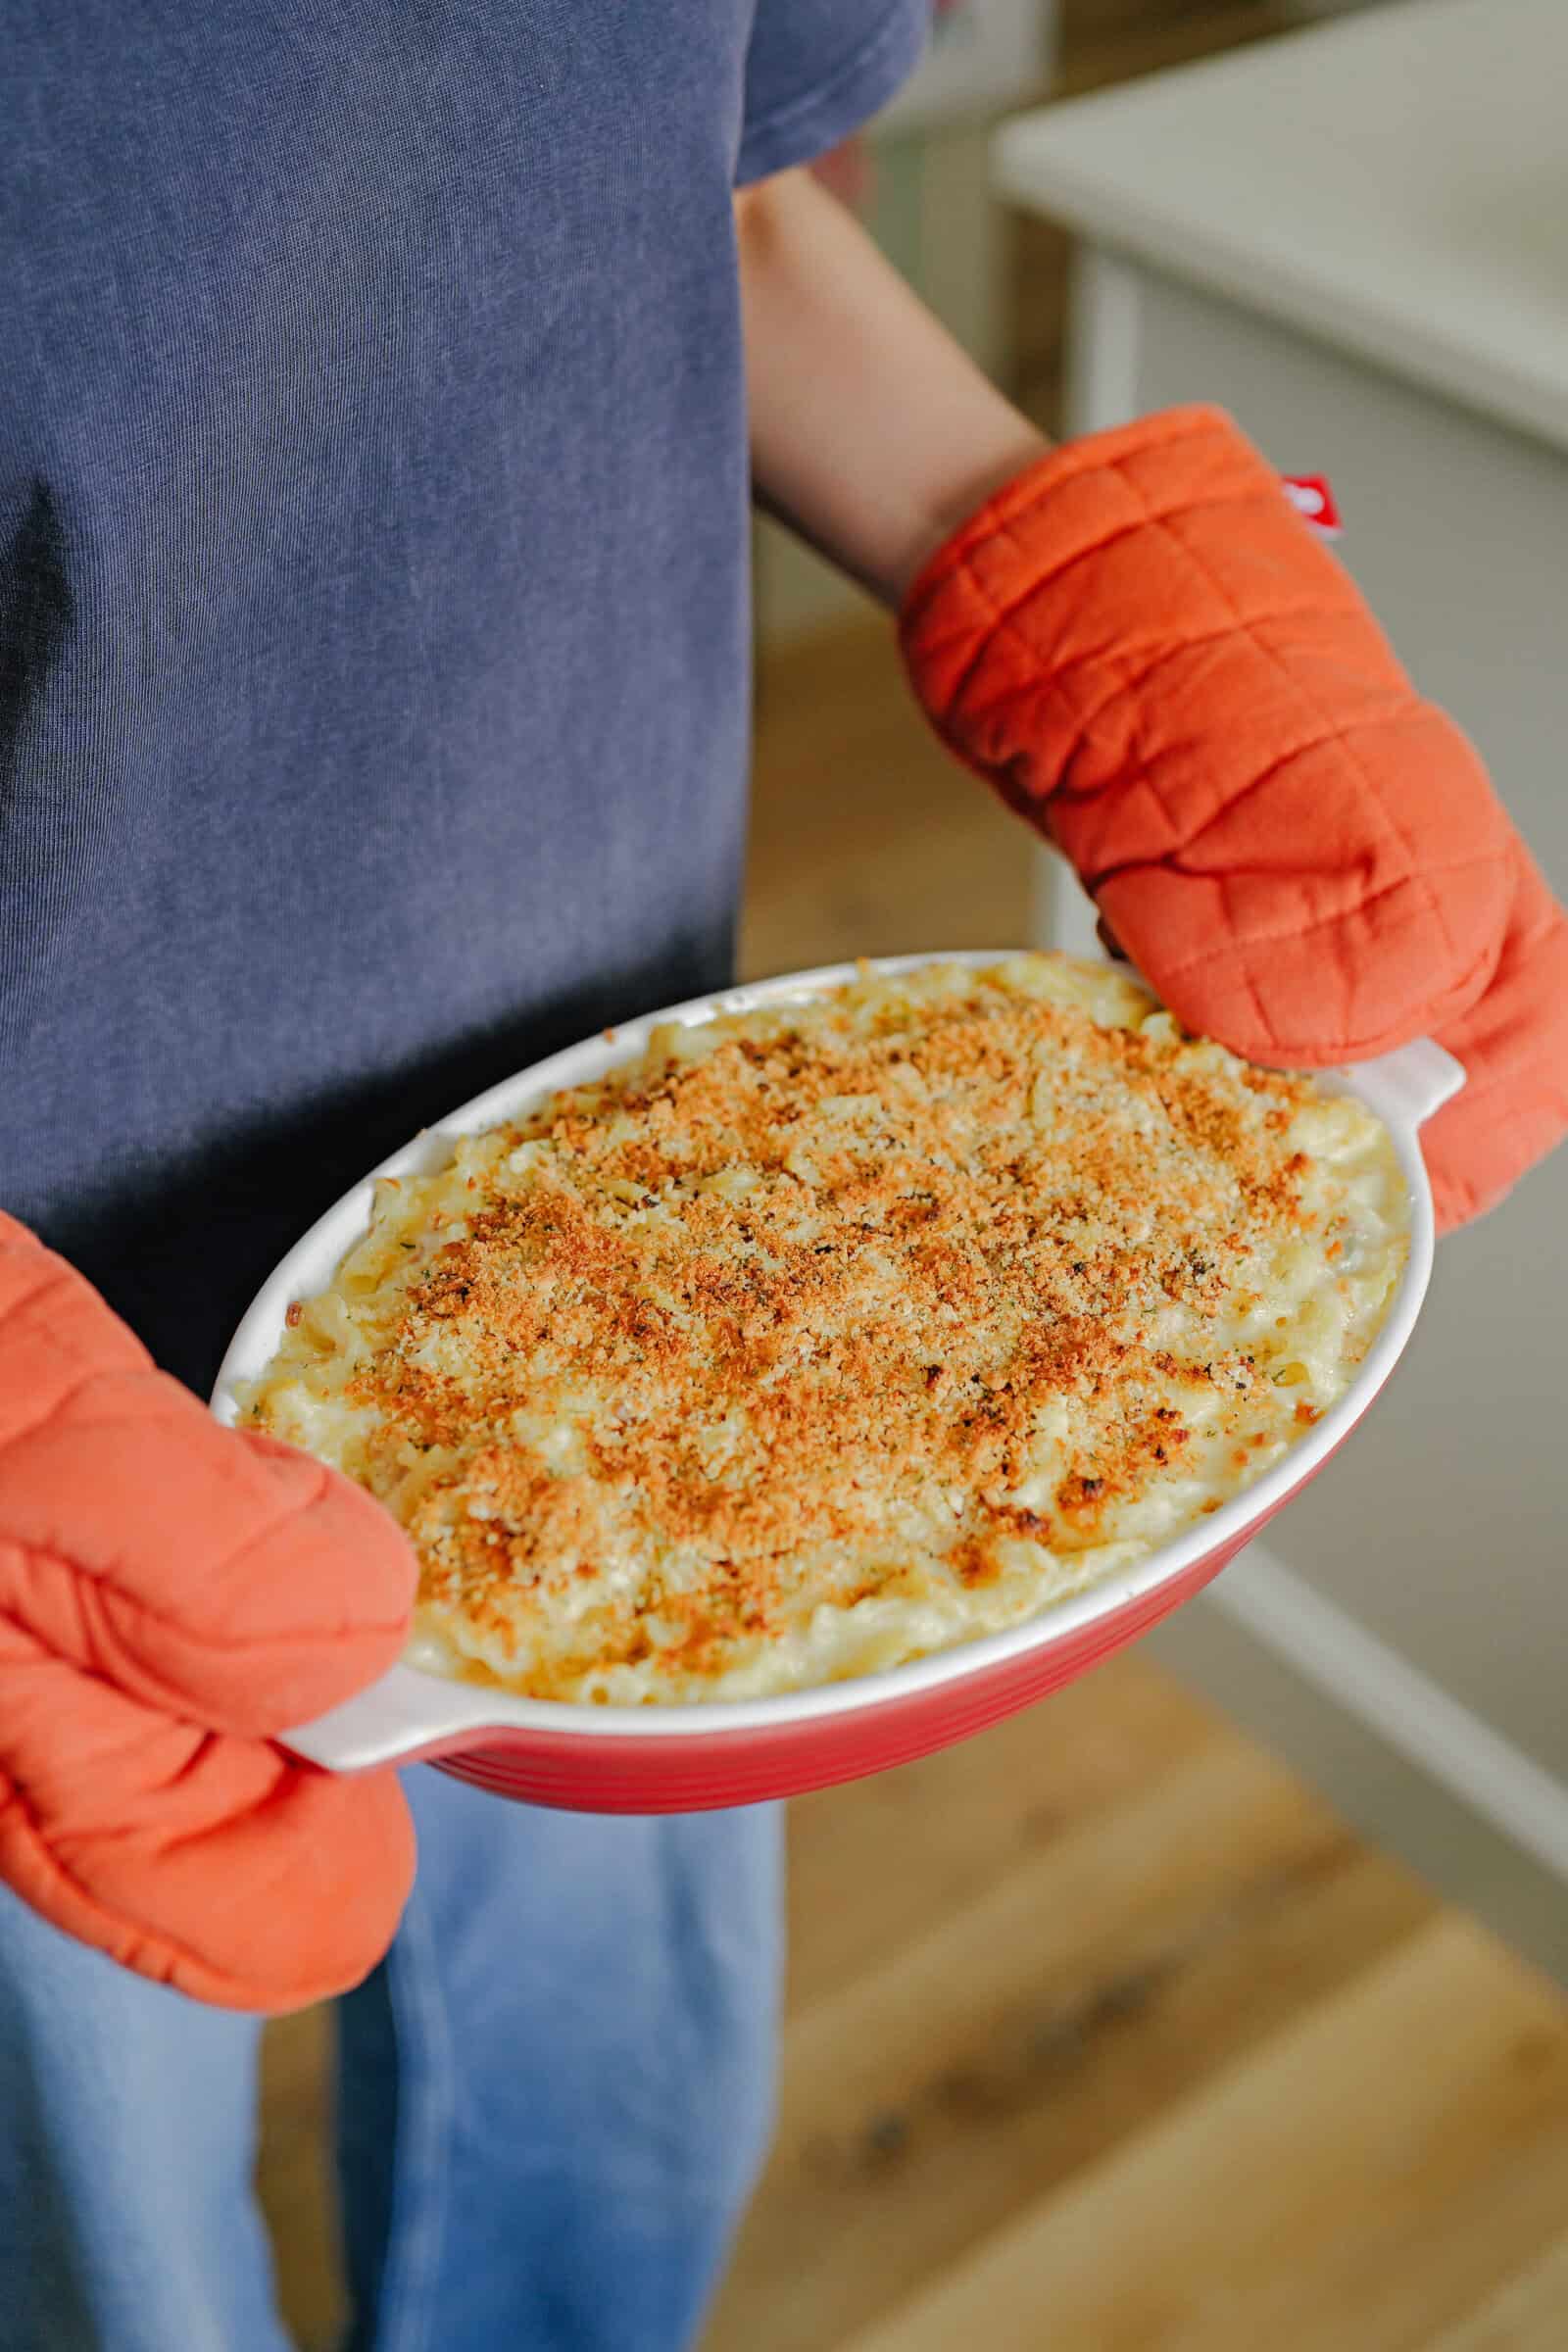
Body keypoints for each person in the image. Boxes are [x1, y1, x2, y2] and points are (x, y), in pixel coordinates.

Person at [3, 7, 1563, 2350]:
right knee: (96, 2196)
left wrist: (1091, 602)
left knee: (606, 2091)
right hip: (49, 1384)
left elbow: (702, 190)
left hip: (624, 1124)